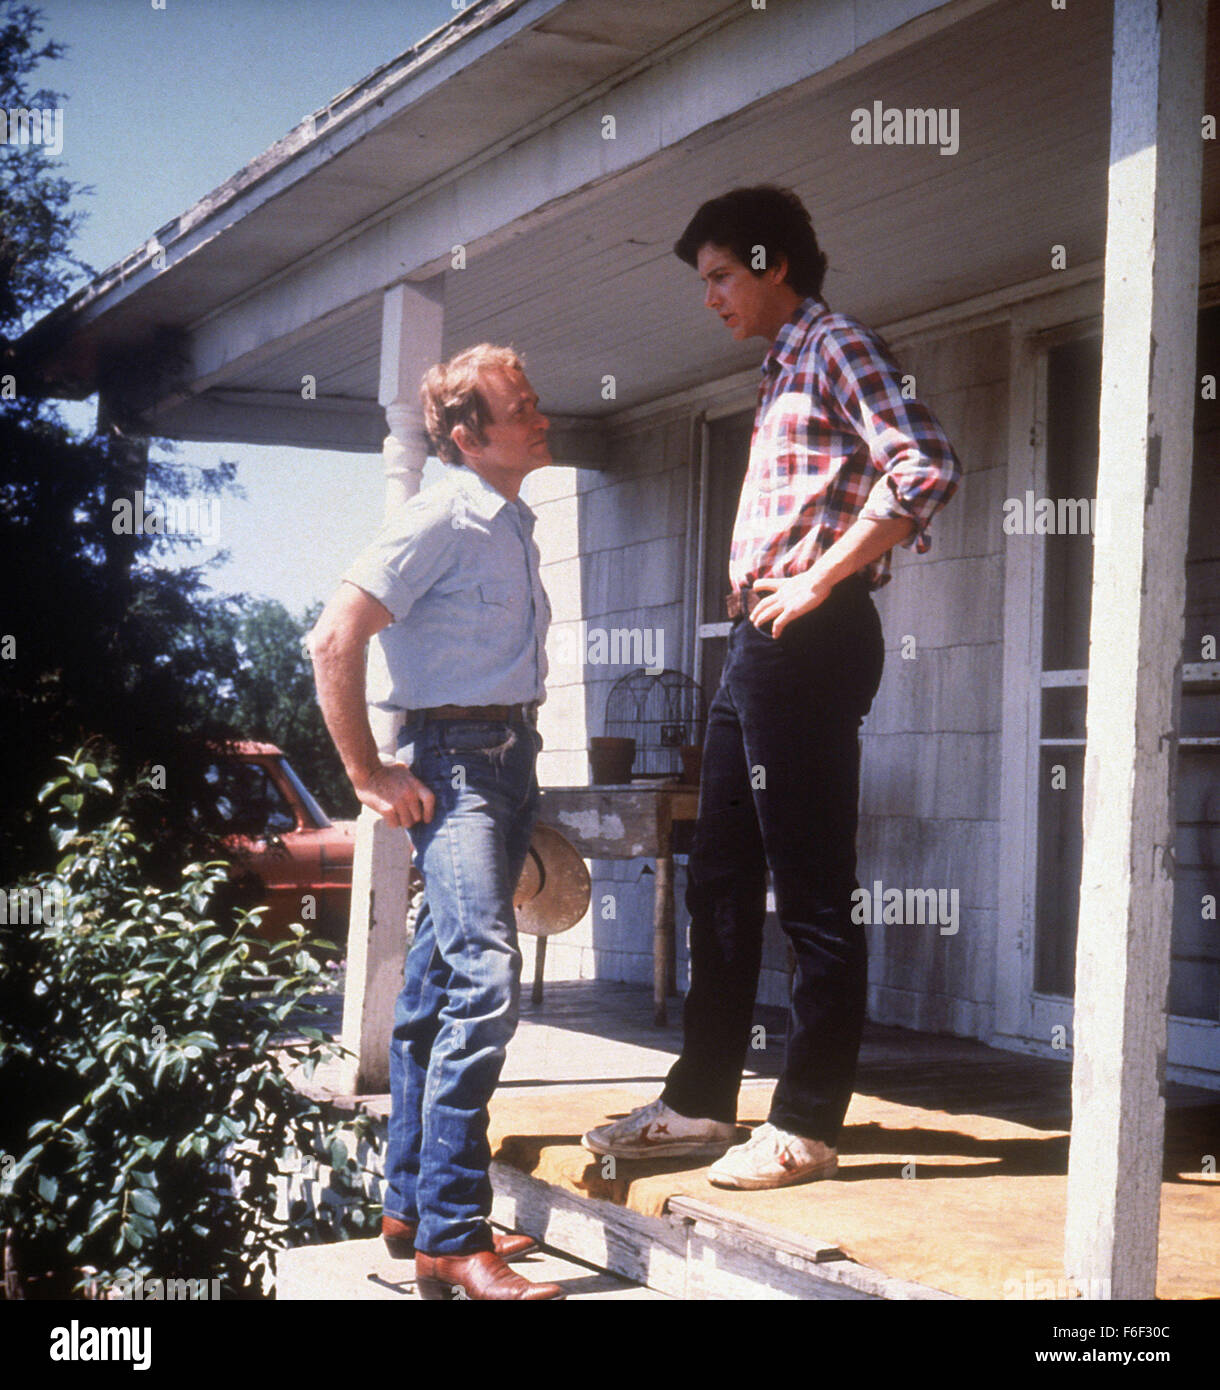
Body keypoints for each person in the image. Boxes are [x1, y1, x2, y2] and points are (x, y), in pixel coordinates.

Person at [583, 186, 961, 1190]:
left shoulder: (836, 343)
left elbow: (924, 467)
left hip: (809, 638)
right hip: (759, 638)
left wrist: (817, 578)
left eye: (719, 276)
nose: (709, 297)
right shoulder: (780, 366)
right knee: (716, 878)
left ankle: (804, 1124)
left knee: (810, 886)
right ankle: (701, 1101)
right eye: (702, 280)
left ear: (771, 263)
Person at [310, 344, 565, 1299]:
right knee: (486, 979)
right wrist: (368, 773)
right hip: (458, 768)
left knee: (432, 984)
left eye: (534, 401)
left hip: (509, 761)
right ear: (467, 435)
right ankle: (455, 1235)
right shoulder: (442, 515)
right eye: (519, 407)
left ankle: (411, 1205)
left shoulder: (511, 519)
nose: (540, 417)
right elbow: (334, 637)